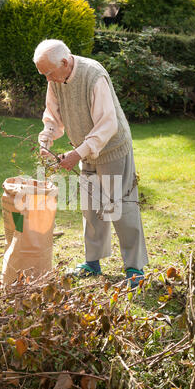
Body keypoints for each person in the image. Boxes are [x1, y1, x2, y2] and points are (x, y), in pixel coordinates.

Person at [33, 39, 148, 287]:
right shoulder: (55, 79)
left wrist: (78, 153)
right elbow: (52, 115)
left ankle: (135, 268)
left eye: (49, 73)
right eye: (43, 74)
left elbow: (107, 124)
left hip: (113, 149)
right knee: (92, 208)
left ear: (64, 62)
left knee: (120, 208)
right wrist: (46, 138)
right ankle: (93, 263)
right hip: (86, 150)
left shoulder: (94, 76)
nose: (47, 79)